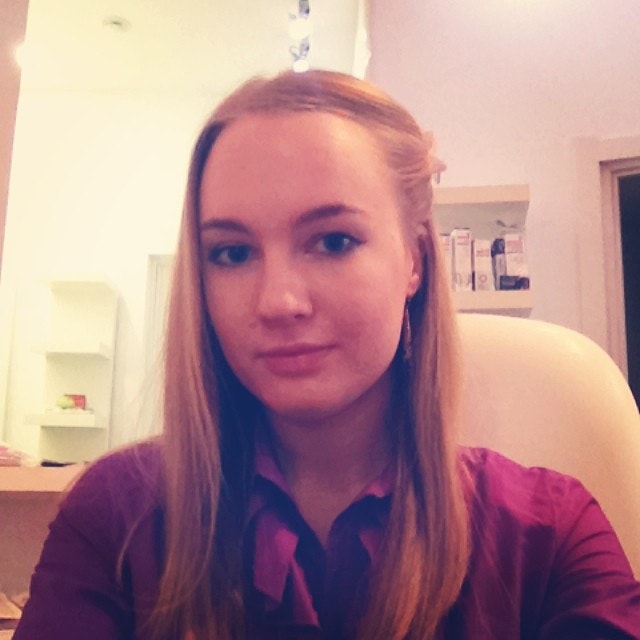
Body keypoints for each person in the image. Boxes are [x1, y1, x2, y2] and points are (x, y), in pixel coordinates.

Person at [14, 70, 640, 640]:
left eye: (333, 241)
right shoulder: (116, 520)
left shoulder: (551, 537)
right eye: (232, 253)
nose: (278, 301)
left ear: (415, 260)